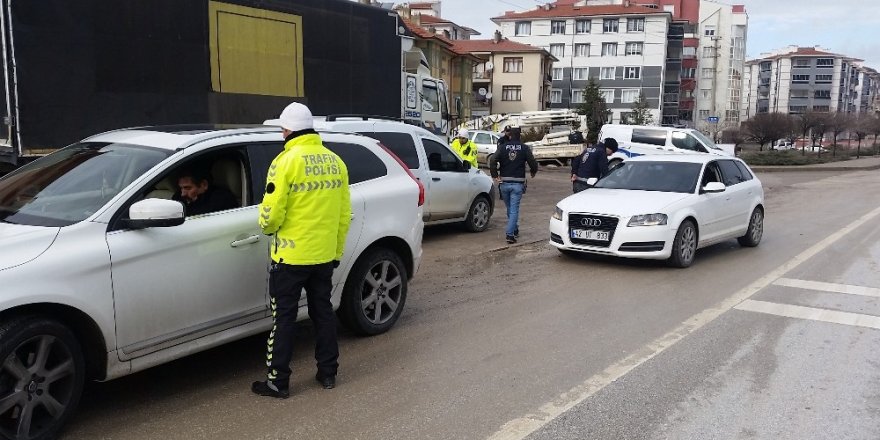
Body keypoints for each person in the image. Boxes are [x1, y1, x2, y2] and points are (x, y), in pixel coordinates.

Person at [252, 102, 352, 399]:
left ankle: (277, 381)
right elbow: (343, 215)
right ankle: (328, 373)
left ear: (287, 130)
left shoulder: (284, 162)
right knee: (323, 313)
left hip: (290, 258)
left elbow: (272, 211)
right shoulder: (336, 161)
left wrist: (266, 228)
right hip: (323, 257)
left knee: (284, 318)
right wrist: (335, 252)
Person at [488, 127, 538, 244]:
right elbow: (533, 163)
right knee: (514, 210)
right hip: (518, 183)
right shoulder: (525, 148)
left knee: (510, 208)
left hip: (504, 183)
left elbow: (493, 160)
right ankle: (510, 235)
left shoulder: (503, 147)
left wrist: (495, 175)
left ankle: (514, 229)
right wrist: (533, 171)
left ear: (510, 136)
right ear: (519, 136)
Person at [172, 166, 238, 216]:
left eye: (188, 188)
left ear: (204, 185)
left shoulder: (221, 199)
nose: (183, 194)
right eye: (181, 188)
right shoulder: (178, 197)